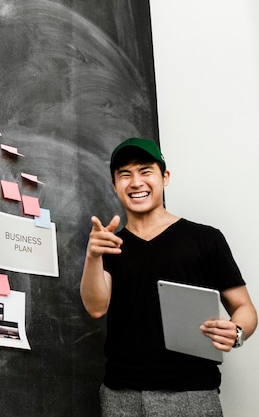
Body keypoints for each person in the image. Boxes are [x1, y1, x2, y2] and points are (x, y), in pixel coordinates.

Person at [80, 137, 258, 417]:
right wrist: (92, 257)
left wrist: (236, 332)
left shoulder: (205, 239)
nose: (135, 182)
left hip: (192, 394)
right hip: (121, 395)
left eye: (145, 171)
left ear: (165, 177)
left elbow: (244, 308)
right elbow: (96, 306)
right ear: (114, 185)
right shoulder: (108, 245)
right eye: (124, 175)